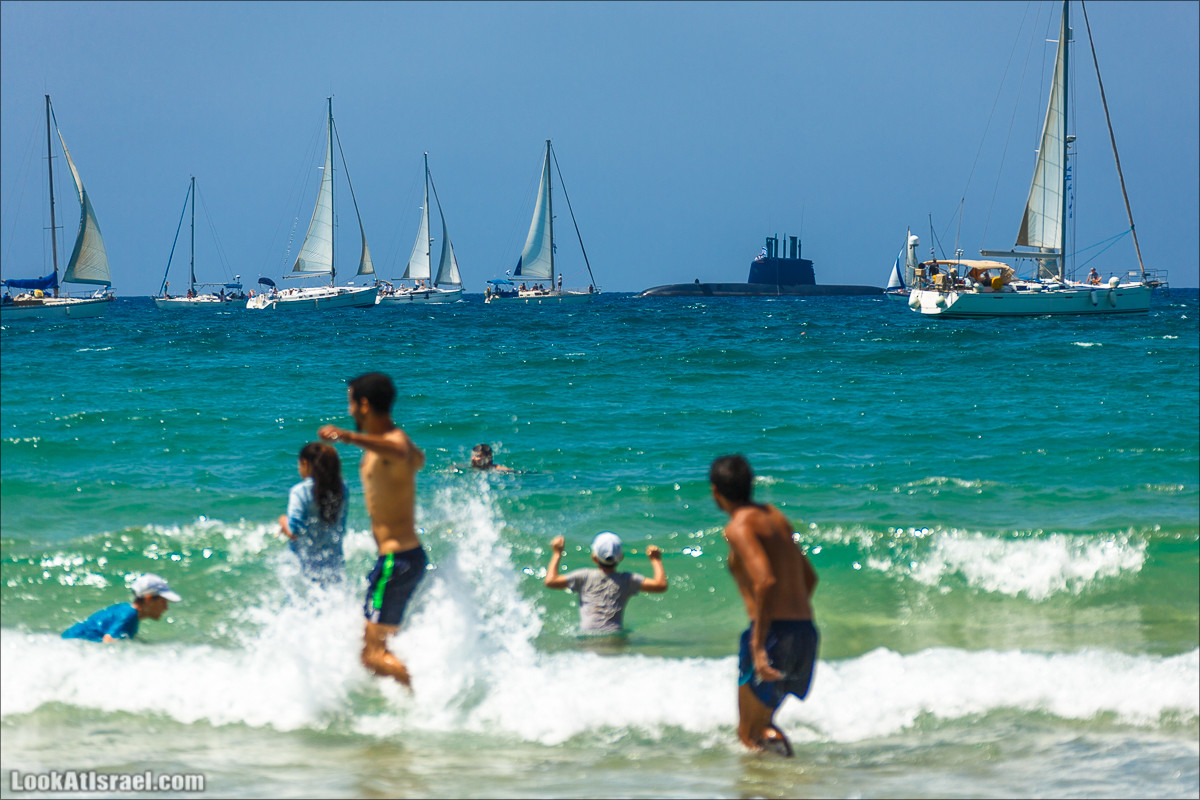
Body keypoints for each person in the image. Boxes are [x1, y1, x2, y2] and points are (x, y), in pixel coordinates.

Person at [319, 372, 427, 687]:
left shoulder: (393, 444)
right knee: (379, 650)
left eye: (351, 403)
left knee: (371, 655)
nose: (349, 411)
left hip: (397, 560)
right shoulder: (390, 445)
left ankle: (428, 702)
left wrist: (348, 437)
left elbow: (402, 452)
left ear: (363, 404)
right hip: (402, 558)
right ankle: (424, 707)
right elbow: (415, 459)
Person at [710, 454, 819, 757]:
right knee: (762, 729)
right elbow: (809, 578)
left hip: (772, 635)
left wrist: (759, 646)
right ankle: (786, 782)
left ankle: (777, 785)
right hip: (803, 631)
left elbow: (766, 581)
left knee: (749, 734)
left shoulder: (739, 526)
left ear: (715, 491)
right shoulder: (775, 517)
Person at [544, 532, 667, 634]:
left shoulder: (583, 576)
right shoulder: (628, 579)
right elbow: (660, 585)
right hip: (615, 636)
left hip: (588, 636)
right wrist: (656, 559)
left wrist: (557, 553)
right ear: (621, 557)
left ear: (594, 558)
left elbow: (551, 581)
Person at [278, 441, 347, 585]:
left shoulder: (300, 492)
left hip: (304, 569)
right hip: (334, 565)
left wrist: (283, 521)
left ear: (305, 463)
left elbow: (293, 532)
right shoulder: (342, 490)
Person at [62, 573, 181, 643]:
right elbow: (108, 642)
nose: (166, 608)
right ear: (148, 599)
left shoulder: (126, 610)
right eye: (163, 602)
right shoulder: (129, 615)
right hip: (70, 646)